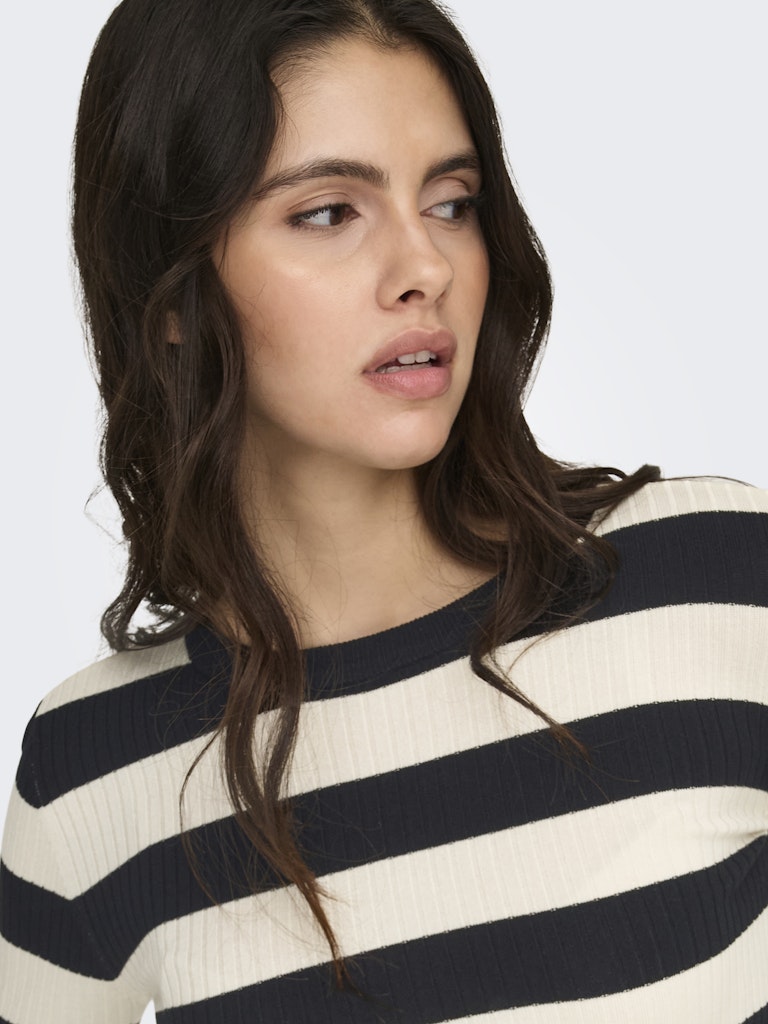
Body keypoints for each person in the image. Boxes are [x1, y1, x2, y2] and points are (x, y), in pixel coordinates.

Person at [1, 0, 766, 1021]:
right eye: (329, 213)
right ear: (172, 296)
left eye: (451, 202)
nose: (427, 269)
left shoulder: (717, 581)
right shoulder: (93, 773)